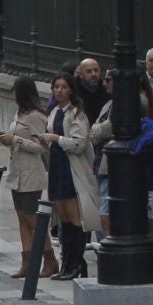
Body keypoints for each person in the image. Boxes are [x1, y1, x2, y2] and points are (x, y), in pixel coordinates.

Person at [38, 70, 98, 280]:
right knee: (62, 217)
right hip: (56, 166)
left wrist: (56, 138)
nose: (59, 91)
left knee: (74, 218)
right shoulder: (54, 111)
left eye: (64, 87)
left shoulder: (77, 114)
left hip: (72, 169)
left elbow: (80, 144)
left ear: (71, 89)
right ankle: (66, 263)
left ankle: (76, 264)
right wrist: (47, 141)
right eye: (56, 87)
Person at [0, 75, 57, 279]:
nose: (12, 95)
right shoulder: (19, 114)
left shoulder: (35, 116)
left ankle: (50, 259)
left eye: (15, 91)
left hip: (31, 173)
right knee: (22, 218)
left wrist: (17, 140)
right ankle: (27, 262)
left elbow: (41, 146)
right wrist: (8, 139)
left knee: (34, 220)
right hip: (16, 173)